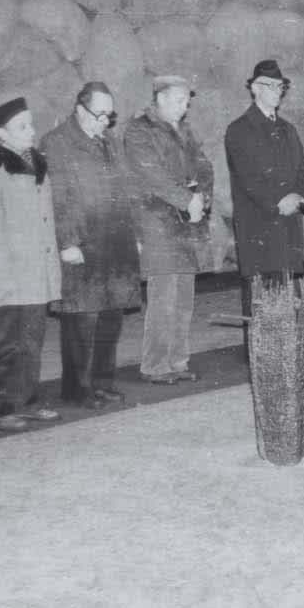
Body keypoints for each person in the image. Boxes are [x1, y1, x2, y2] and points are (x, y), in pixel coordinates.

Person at [40, 81, 142, 409]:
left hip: (115, 242)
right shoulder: (57, 143)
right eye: (99, 114)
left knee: (111, 317)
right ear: (79, 110)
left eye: (109, 116)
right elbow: (58, 198)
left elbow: (127, 190)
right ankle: (77, 388)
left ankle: (102, 381)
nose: (105, 121)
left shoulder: (109, 142)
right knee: (81, 320)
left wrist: (135, 234)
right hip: (83, 243)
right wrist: (67, 241)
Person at [0, 97, 63, 431]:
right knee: (6, 344)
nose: (32, 131)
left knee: (31, 343)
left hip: (35, 273)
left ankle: (27, 401)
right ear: (0, 134)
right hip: (6, 276)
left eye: (31, 123)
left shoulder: (35, 163)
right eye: (22, 126)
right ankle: (1, 407)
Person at [123, 75, 214, 385]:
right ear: (160, 98)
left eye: (186, 101)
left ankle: (177, 360)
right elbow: (153, 175)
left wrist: (203, 196)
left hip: (185, 223)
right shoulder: (139, 130)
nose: (184, 107)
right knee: (163, 298)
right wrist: (189, 199)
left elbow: (204, 165)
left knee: (183, 298)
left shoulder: (183, 129)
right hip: (157, 224)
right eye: (179, 100)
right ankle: (155, 365)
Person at [224, 59, 304, 317]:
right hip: (259, 224)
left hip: (287, 225)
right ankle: (262, 356)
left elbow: (303, 167)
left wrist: (298, 196)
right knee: (262, 302)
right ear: (254, 89)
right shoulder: (239, 130)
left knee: (288, 300)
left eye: (280, 86)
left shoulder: (288, 130)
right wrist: (277, 203)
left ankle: (286, 354)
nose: (276, 91)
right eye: (270, 85)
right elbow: (247, 178)